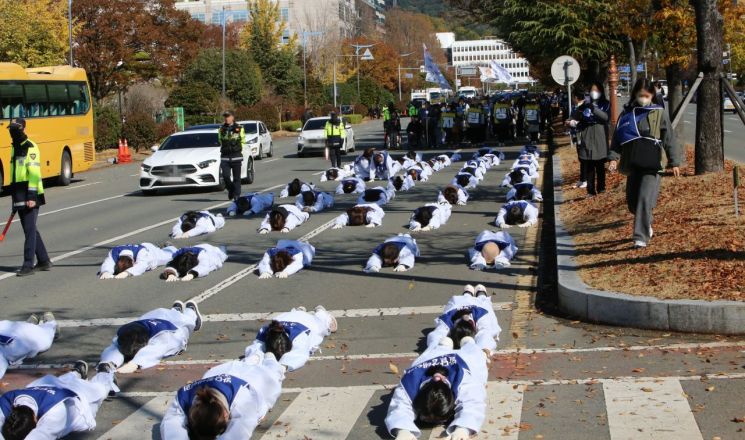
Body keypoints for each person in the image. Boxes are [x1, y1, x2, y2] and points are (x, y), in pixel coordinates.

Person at [609, 78, 682, 248]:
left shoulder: (659, 113)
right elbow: (618, 139)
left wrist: (674, 161)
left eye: (647, 95)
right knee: (633, 203)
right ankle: (646, 222)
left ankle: (640, 237)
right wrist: (613, 157)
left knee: (644, 198)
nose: (643, 98)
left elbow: (669, 138)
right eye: (640, 95)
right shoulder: (627, 115)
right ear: (635, 94)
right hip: (632, 163)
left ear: (652, 95)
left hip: (652, 164)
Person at [160, 348, 284, 439]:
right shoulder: (184, 396)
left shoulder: (244, 398)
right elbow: (170, 425)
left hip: (256, 379)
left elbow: (240, 430)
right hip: (222, 372)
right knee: (246, 363)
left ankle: (268, 355)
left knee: (274, 372)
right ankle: (254, 355)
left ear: (226, 415)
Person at [384, 337, 488, 440]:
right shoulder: (410, 382)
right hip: (429, 359)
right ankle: (444, 345)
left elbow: (473, 403)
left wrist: (463, 429)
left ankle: (467, 342)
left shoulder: (465, 379)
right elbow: (400, 406)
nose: (433, 423)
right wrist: (403, 431)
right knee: (436, 349)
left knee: (476, 353)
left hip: (464, 358)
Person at [0, 360, 117, 439]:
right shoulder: (9, 399)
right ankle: (76, 373)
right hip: (51, 385)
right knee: (59, 381)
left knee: (100, 391)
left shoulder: (54, 416)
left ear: (36, 420)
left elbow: (36, 437)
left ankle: (104, 372)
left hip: (78, 402)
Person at [99, 301, 202, 374]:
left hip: (174, 326)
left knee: (187, 321)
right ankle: (175, 310)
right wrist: (108, 363)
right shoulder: (123, 333)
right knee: (169, 313)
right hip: (155, 315)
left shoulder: (163, 336)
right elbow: (114, 348)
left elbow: (153, 352)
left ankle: (191, 310)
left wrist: (135, 364)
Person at [7, 119, 51, 277]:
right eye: (10, 129)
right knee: (29, 229)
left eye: (15, 129)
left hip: (31, 194)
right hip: (19, 193)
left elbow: (33, 173)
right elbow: (15, 174)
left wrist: (31, 196)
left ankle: (28, 264)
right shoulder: (14, 147)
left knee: (30, 229)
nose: (12, 132)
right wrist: (14, 197)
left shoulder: (30, 147)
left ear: (23, 128)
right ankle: (44, 260)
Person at [244, 305, 336, 371]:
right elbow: (256, 347)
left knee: (327, 326)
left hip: (309, 322)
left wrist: (283, 367)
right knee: (295, 315)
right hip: (285, 318)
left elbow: (299, 354)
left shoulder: (300, 336)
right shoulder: (268, 332)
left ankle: (320, 312)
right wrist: (253, 358)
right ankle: (298, 311)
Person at [426, 284, 501, 353]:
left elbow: (485, 333)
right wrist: (436, 347)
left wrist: (484, 350)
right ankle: (471, 293)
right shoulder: (447, 320)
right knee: (470, 300)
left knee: (483, 300)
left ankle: (476, 293)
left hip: (471, 304)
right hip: (462, 304)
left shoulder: (482, 315)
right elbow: (436, 334)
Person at [567, 82, 610, 196]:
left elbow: (605, 117)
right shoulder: (584, 105)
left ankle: (601, 188)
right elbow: (574, 117)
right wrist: (572, 122)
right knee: (589, 165)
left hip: (600, 135)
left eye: (596, 90)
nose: (594, 93)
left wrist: (593, 108)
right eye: (592, 90)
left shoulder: (605, 104)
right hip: (587, 136)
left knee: (600, 165)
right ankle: (590, 191)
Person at [0, 313, 58, 379]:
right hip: (11, 341)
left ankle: (49, 325)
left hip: (16, 342)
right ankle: (32, 325)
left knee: (44, 341)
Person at [98, 242, 178, 279]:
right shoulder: (115, 252)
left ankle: (169, 247)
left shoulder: (141, 253)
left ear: (133, 262)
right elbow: (109, 262)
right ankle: (160, 246)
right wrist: (106, 271)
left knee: (171, 255)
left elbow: (142, 265)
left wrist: (127, 273)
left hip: (152, 254)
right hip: (143, 245)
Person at [159, 244, 228, 282]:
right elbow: (171, 264)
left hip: (214, 251)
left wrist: (192, 274)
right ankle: (169, 245)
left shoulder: (204, 256)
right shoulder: (181, 255)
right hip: (197, 246)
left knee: (223, 253)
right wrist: (170, 273)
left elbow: (203, 266)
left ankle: (223, 246)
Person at [218, 111, 245, 201]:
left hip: (236, 156)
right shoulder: (221, 129)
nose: (226, 118)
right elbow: (220, 140)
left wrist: (239, 149)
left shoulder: (239, 128)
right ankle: (231, 189)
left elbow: (243, 141)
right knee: (225, 176)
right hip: (225, 157)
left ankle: (236, 195)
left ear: (233, 117)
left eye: (228, 116)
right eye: (225, 117)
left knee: (237, 178)